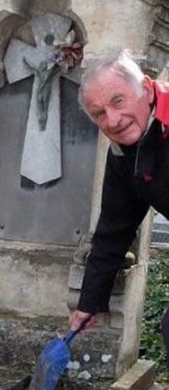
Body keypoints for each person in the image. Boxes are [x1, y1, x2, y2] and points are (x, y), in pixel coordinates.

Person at [70, 50, 169, 359]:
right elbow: (114, 230)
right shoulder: (124, 153)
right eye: (99, 113)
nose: (112, 120)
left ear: (145, 88)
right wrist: (89, 302)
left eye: (118, 101)